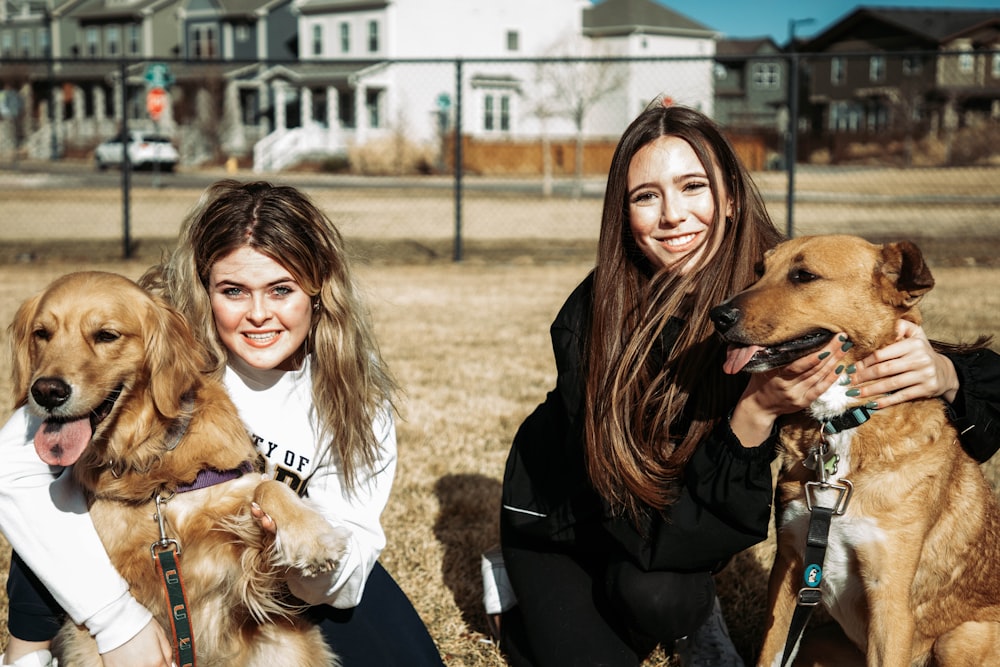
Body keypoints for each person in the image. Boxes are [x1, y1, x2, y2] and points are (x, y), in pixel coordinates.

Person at [495, 101, 1000, 667]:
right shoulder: (595, 316)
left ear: (729, 197)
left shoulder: (772, 267)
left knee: (661, 594)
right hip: (577, 513)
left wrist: (946, 372)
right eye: (645, 196)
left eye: (692, 186)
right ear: (623, 214)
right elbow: (641, 522)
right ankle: (525, 594)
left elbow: (894, 333)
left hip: (683, 535)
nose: (673, 215)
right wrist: (755, 412)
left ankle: (679, 606)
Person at [0, 180, 445, 667]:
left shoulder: (355, 402)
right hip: (137, 567)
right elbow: (16, 469)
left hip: (282, 585)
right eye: (233, 291)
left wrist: (290, 544)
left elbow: (348, 556)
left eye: (281, 290)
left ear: (319, 292)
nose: (258, 315)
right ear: (205, 289)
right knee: (50, 506)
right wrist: (116, 622)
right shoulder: (167, 347)